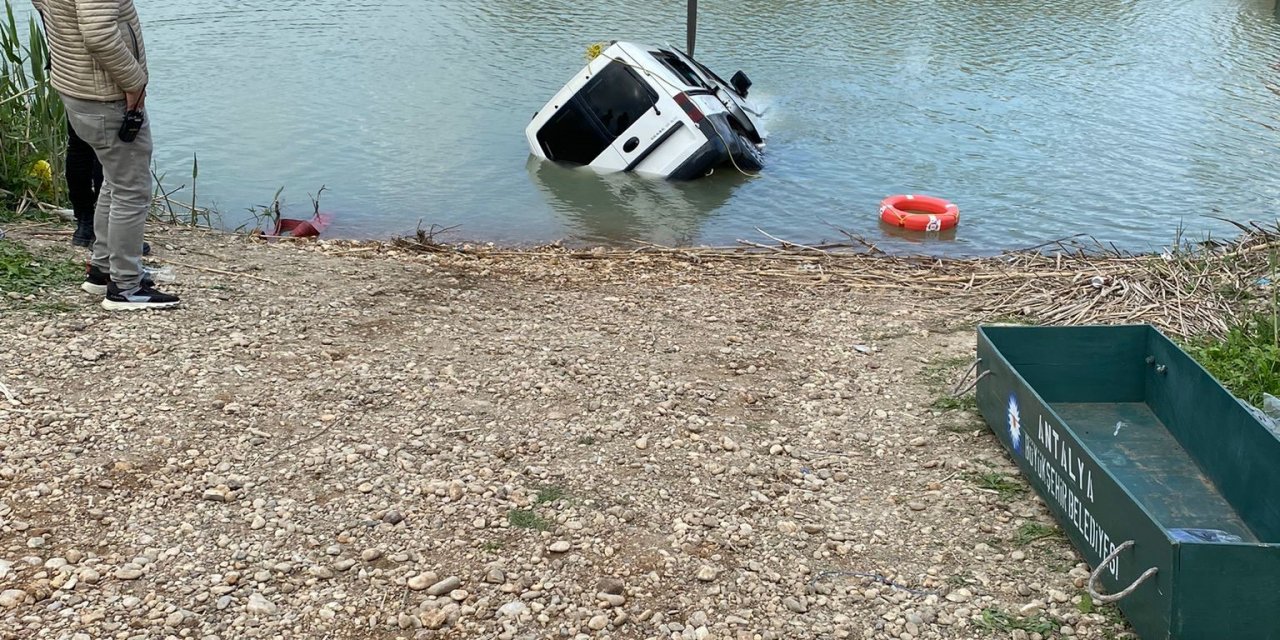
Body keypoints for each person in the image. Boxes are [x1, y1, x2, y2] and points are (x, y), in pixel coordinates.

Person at [33, 0, 178, 310]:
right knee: (131, 188)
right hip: (104, 94)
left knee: (115, 180)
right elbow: (99, 33)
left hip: (77, 87)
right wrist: (135, 82)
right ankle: (126, 286)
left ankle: (103, 270)